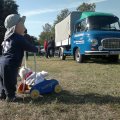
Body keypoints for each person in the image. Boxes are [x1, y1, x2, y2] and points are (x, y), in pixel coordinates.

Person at [0, 14, 39, 102]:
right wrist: (36, 49)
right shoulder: (18, 38)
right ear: (15, 27)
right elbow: (28, 46)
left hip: (2, 61)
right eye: (22, 24)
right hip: (11, 63)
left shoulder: (7, 39)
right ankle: (10, 96)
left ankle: (2, 94)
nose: (24, 27)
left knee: (3, 80)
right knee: (11, 81)